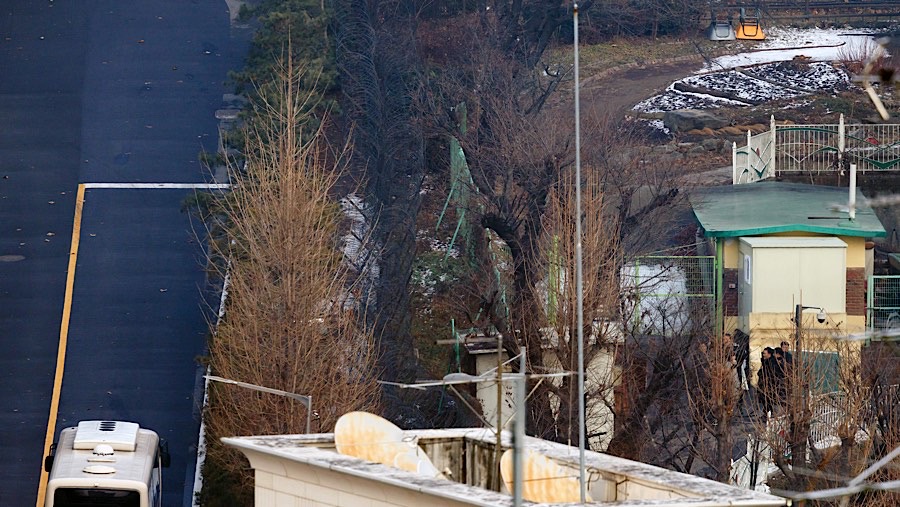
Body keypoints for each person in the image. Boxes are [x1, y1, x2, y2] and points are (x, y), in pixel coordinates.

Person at [757, 347, 776, 419]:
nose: (763, 355)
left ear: (769, 354)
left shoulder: (770, 363)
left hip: (768, 383)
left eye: (764, 353)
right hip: (765, 382)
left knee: (767, 399)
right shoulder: (766, 361)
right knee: (765, 399)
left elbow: (767, 373)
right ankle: (767, 412)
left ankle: (768, 413)